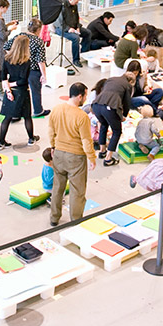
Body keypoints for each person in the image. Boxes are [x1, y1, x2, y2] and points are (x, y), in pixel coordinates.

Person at [46, 82, 95, 226]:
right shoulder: (82, 116)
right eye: (85, 96)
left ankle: (54, 217)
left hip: (59, 154)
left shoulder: (56, 109)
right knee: (77, 191)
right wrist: (91, 157)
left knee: (57, 187)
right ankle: (75, 220)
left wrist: (53, 146)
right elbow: (86, 140)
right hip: (76, 157)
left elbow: (50, 131)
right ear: (80, 96)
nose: (86, 99)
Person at [3, 18, 49, 117]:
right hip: (33, 70)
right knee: (35, 90)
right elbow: (40, 60)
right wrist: (44, 75)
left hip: (19, 68)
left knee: (18, 90)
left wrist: (15, 58)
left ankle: (15, 112)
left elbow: (6, 46)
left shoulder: (20, 36)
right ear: (38, 30)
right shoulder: (38, 41)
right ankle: (38, 110)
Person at [0, 35, 37, 149]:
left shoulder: (6, 59)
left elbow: (3, 77)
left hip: (10, 92)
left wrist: (8, 90)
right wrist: (12, 85)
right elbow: (23, 80)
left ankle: (1, 142)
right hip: (22, 92)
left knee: (7, 117)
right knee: (27, 117)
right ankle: (31, 138)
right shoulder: (27, 62)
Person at [92, 70, 136, 166]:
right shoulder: (127, 85)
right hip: (110, 107)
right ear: (131, 81)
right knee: (117, 131)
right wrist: (124, 116)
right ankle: (108, 158)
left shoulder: (111, 79)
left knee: (104, 125)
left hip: (96, 105)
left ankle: (102, 150)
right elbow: (127, 102)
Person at [56, 0, 89, 67]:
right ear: (70, 0)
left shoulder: (74, 5)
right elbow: (59, 22)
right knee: (76, 38)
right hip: (62, 28)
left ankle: (84, 53)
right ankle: (76, 60)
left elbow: (77, 17)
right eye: (76, 2)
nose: (77, 3)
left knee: (88, 33)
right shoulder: (62, 6)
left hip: (73, 27)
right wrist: (68, 29)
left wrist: (77, 27)